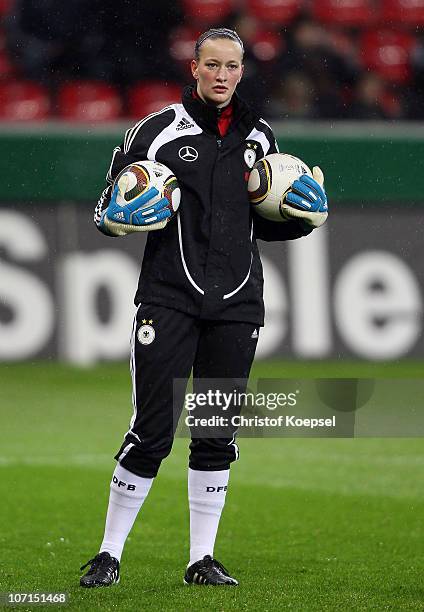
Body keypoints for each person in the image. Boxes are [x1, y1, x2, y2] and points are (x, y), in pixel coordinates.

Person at [79, 27, 328, 589]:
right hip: (168, 298)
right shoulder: (157, 131)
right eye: (211, 65)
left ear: (242, 71)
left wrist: (303, 222)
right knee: (152, 431)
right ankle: (108, 554)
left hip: (237, 302)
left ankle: (201, 559)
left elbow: (262, 225)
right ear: (193, 68)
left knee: (216, 432)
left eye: (231, 67)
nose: (222, 75)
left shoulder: (260, 137)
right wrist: (117, 217)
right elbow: (107, 207)